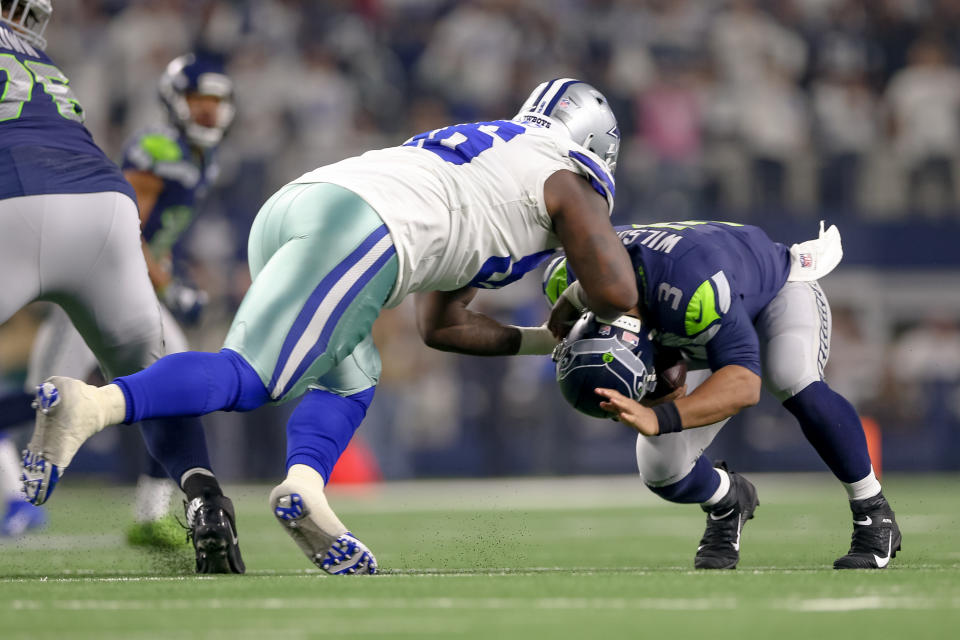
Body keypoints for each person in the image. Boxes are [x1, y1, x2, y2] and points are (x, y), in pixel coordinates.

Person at [23, 78, 638, 574]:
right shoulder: (564, 175)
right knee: (252, 376)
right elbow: (615, 291)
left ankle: (305, 491)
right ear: (597, 146)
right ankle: (93, 404)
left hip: (307, 205)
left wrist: (543, 342)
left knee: (354, 376)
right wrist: (582, 312)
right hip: (361, 229)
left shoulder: (502, 156)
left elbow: (442, 325)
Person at [1, 1, 243, 572]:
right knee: (157, 382)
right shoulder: (42, 58)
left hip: (13, 200)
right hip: (106, 210)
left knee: (74, 384)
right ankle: (207, 503)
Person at [546, 220, 901, 570]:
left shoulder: (689, 287)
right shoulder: (568, 277)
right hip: (690, 321)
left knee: (790, 376)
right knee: (662, 469)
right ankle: (728, 501)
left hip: (772, 292)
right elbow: (556, 339)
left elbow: (744, 384)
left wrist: (658, 416)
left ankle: (873, 510)